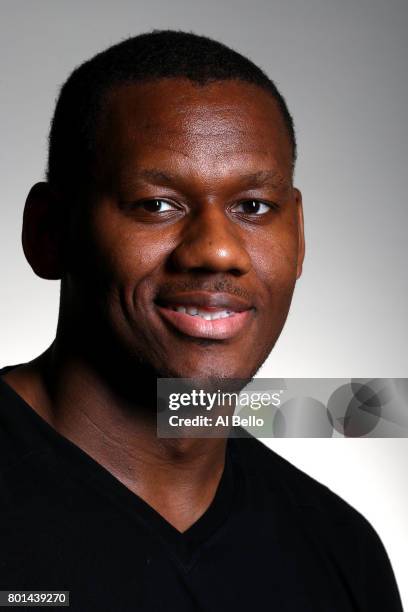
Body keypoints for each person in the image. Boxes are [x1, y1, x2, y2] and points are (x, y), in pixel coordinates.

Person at [0, 30, 402, 611]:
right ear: (49, 233)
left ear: (300, 237)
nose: (218, 251)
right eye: (156, 204)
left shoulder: (341, 553)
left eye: (253, 208)